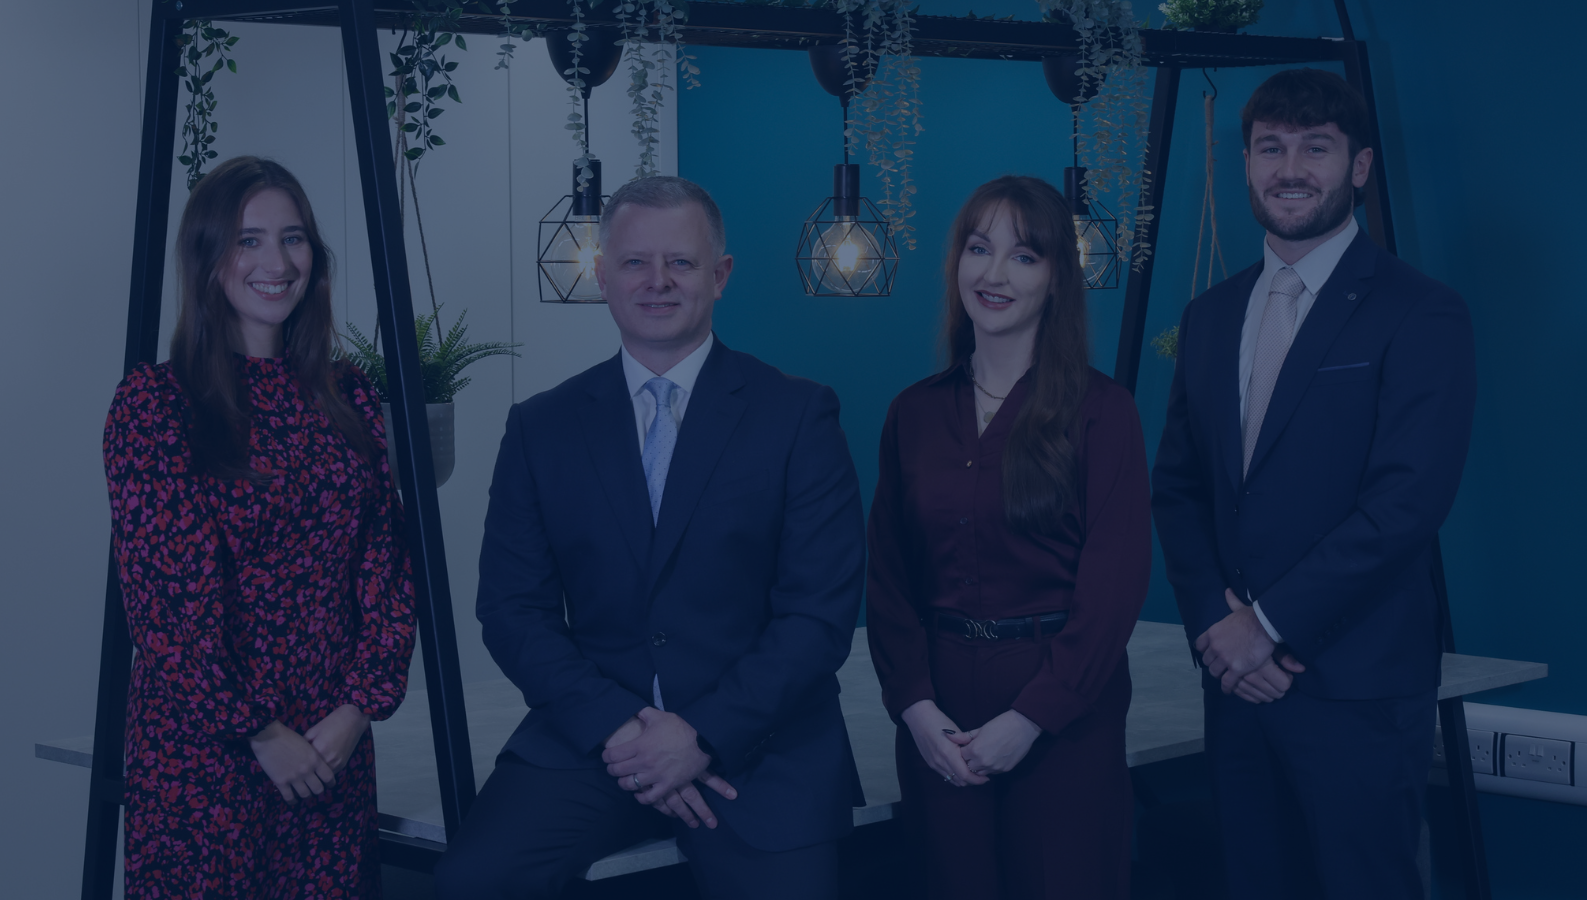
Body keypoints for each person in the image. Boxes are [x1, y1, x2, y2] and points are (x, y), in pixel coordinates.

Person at [434, 176, 866, 899]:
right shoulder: (542, 427)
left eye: (682, 263)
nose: (658, 282)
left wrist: (696, 737)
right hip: (595, 740)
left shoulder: (797, 415)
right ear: (602, 275)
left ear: (720, 276)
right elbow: (513, 611)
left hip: (760, 742)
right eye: (635, 262)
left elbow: (817, 619)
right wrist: (624, 733)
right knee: (472, 882)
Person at [1152, 68, 1477, 898]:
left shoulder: (1419, 311)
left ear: (1359, 167)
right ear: (1248, 163)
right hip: (1235, 686)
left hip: (1356, 688)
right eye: (1271, 147)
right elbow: (1179, 487)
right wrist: (1217, 630)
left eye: (1315, 147)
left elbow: (1406, 503)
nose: (1289, 167)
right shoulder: (1212, 315)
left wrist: (1267, 625)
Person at [102, 156, 419, 898]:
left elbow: (388, 567)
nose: (277, 262)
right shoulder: (155, 405)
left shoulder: (350, 396)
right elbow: (165, 605)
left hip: (329, 752)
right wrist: (257, 731)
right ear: (209, 260)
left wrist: (355, 712)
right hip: (204, 758)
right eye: (248, 241)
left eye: (294, 238)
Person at [865, 175, 1152, 899]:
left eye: (1023, 257)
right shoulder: (913, 414)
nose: (992, 274)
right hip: (939, 720)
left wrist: (1030, 720)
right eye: (978, 248)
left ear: (1057, 280)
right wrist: (917, 710)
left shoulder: (1103, 412)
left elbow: (1112, 590)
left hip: (1063, 717)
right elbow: (888, 579)